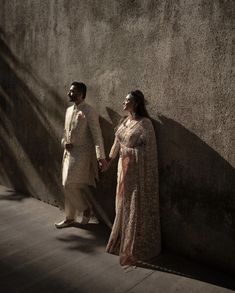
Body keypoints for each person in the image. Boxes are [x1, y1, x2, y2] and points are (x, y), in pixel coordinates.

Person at [106, 90, 161, 267]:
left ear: (136, 103)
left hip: (136, 174)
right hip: (122, 172)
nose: (123, 103)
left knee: (133, 206)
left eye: (127, 100)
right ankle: (120, 239)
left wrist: (127, 152)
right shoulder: (124, 122)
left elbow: (149, 152)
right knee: (121, 204)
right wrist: (108, 161)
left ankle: (134, 245)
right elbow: (117, 143)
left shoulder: (145, 124)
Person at [55, 81, 108, 228]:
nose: (68, 93)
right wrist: (63, 143)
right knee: (67, 185)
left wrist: (101, 157)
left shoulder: (89, 111)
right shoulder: (68, 111)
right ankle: (69, 218)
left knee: (69, 184)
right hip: (68, 155)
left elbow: (97, 136)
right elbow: (65, 134)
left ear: (80, 94)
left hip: (82, 156)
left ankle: (85, 209)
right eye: (69, 90)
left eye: (72, 91)